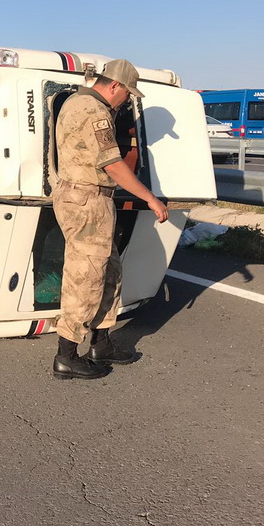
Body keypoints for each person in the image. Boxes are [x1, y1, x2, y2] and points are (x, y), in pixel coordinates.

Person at [51, 59, 169, 380]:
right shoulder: (94, 111)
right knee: (86, 275)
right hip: (86, 199)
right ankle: (66, 354)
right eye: (127, 94)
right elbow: (113, 165)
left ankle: (101, 342)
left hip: (89, 197)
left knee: (109, 270)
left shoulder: (79, 102)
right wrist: (149, 198)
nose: (126, 101)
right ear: (114, 85)